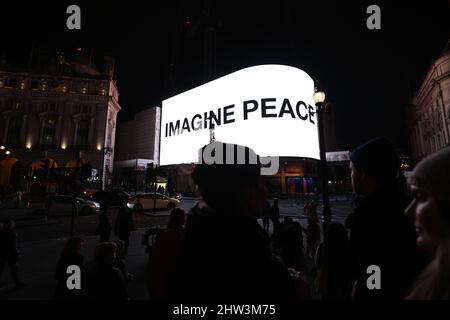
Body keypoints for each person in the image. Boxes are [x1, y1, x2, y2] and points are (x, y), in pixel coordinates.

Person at [170, 141, 297, 300]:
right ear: (245, 193)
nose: (265, 190)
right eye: (260, 182)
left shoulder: (194, 239)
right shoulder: (251, 259)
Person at [345, 137, 425, 299]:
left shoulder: (368, 218)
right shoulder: (408, 206)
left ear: (362, 174)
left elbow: (372, 271)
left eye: (352, 170)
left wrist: (364, 291)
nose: (351, 176)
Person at [404, 147, 450, 299]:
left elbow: (372, 269)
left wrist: (369, 288)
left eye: (421, 197)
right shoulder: (436, 276)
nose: (408, 211)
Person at [147, 208, 186, 299]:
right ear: (182, 220)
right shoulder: (181, 237)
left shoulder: (163, 236)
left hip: (162, 283)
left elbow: (153, 263)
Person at [314, 222, 351, 300]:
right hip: (343, 279)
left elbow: (317, 263)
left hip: (327, 279)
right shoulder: (348, 248)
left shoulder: (323, 247)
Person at [0, 220, 26, 288]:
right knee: (14, 269)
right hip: (11, 254)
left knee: (1, 269)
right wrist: (17, 254)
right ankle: (17, 283)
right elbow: (13, 246)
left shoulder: (1, 233)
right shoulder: (12, 234)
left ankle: (16, 283)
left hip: (2, 253)